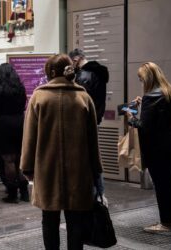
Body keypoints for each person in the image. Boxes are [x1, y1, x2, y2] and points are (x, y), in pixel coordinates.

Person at [20, 54, 103, 249]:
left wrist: (27, 167)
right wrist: (96, 169)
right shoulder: (83, 97)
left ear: (50, 72)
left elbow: (29, 137)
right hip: (79, 172)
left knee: (49, 221)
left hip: (47, 171)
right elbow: (93, 139)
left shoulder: (39, 97)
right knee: (76, 222)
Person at [127, 62, 171, 235]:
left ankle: (166, 224)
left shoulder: (152, 96)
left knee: (161, 184)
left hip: (156, 149)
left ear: (148, 78)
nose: (141, 82)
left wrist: (131, 115)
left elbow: (144, 126)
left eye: (141, 78)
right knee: (168, 182)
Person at [69, 48, 109, 203]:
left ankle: (95, 194)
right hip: (96, 119)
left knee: (88, 158)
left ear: (77, 59)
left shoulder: (84, 76)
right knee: (94, 157)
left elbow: (79, 102)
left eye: (72, 62)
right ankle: (100, 193)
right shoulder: (98, 72)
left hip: (84, 122)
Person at [0, 63, 29, 203]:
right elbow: (24, 105)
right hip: (20, 122)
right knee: (20, 158)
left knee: (8, 160)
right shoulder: (20, 88)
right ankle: (24, 191)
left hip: (4, 124)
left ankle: (12, 193)